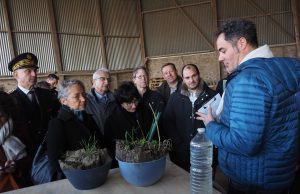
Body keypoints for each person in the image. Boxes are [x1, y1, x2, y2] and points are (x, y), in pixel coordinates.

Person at [196, 19, 300, 194]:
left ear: (241, 43)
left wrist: (211, 126)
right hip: (280, 174)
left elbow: (243, 144)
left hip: (254, 182)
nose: (220, 57)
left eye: (223, 50)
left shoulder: (249, 80)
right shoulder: (284, 68)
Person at [47, 80, 105, 181]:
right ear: (64, 101)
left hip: (96, 173)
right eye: (76, 96)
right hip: (75, 178)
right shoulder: (57, 124)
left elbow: (101, 144)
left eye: (83, 94)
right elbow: (55, 161)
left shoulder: (88, 118)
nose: (83, 99)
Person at [163, 64, 217, 171]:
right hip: (182, 152)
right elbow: (167, 122)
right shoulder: (175, 97)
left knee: (204, 182)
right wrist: (178, 143)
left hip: (205, 151)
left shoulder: (213, 96)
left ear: (199, 75)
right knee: (183, 183)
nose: (191, 80)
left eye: (194, 76)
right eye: (187, 78)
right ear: (182, 79)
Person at [8, 53, 60, 152]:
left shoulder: (47, 95)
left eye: (35, 70)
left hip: (50, 148)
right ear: (16, 75)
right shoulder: (10, 101)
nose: (34, 74)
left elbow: (57, 118)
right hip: (27, 153)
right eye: (28, 71)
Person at [104, 81, 154, 167]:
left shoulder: (146, 112)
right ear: (121, 103)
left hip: (148, 159)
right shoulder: (112, 120)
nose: (134, 106)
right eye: (128, 103)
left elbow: (154, 133)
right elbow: (110, 146)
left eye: (135, 101)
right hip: (125, 162)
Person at [0, 91, 28, 192]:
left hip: (17, 185)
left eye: (1, 116)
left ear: (8, 114)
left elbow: (30, 159)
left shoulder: (18, 130)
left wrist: (16, 165)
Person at [132, 66, 165, 139]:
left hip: (155, 137)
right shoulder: (131, 98)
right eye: (140, 77)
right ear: (134, 80)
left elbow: (161, 119)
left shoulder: (157, 96)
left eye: (145, 76)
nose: (143, 79)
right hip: (136, 139)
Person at [86, 68, 117, 135]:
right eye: (102, 79)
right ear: (93, 82)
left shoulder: (115, 98)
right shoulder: (86, 100)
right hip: (95, 140)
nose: (107, 82)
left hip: (114, 139)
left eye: (108, 79)